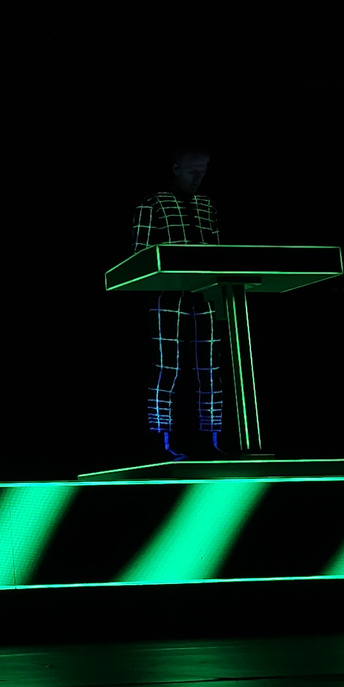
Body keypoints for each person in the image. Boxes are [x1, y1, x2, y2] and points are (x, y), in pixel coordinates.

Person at [130, 146, 224, 461]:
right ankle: (161, 440)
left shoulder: (206, 205)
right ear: (176, 168)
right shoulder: (153, 203)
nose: (199, 177)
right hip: (167, 297)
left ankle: (211, 439)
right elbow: (140, 257)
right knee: (166, 367)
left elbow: (219, 253)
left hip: (205, 295)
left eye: (203, 170)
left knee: (209, 368)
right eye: (193, 170)